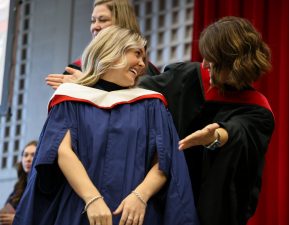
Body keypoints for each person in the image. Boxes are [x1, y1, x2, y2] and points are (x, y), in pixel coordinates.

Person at [12, 26, 199, 225]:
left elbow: (164, 161)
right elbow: (62, 151)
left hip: (134, 215)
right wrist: (92, 199)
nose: (142, 64)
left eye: (144, 58)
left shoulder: (151, 104)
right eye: (137, 53)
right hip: (80, 210)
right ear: (113, 48)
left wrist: (140, 196)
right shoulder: (71, 98)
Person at [138, 16, 275, 225]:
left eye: (211, 59)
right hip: (164, 199)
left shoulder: (257, 110)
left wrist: (216, 136)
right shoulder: (190, 76)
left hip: (209, 210)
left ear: (233, 61)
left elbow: (239, 131)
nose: (204, 63)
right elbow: (144, 88)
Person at [45, 0, 159, 90]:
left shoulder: (146, 70)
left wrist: (87, 86)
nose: (95, 26)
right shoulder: (77, 69)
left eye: (103, 20)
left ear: (122, 24)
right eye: (93, 21)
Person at [0, 141, 37, 225]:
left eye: (33, 155)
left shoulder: (40, 184)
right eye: (25, 155)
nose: (28, 159)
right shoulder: (19, 186)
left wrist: (18, 219)